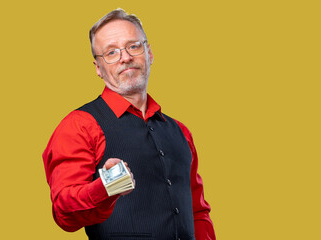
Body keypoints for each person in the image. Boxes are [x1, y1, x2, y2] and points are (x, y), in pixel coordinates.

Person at [42, 8, 215, 240]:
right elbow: (65, 213)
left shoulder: (181, 132)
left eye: (133, 46)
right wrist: (105, 187)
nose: (125, 57)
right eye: (111, 52)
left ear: (149, 53)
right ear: (98, 68)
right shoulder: (79, 126)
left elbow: (198, 212)